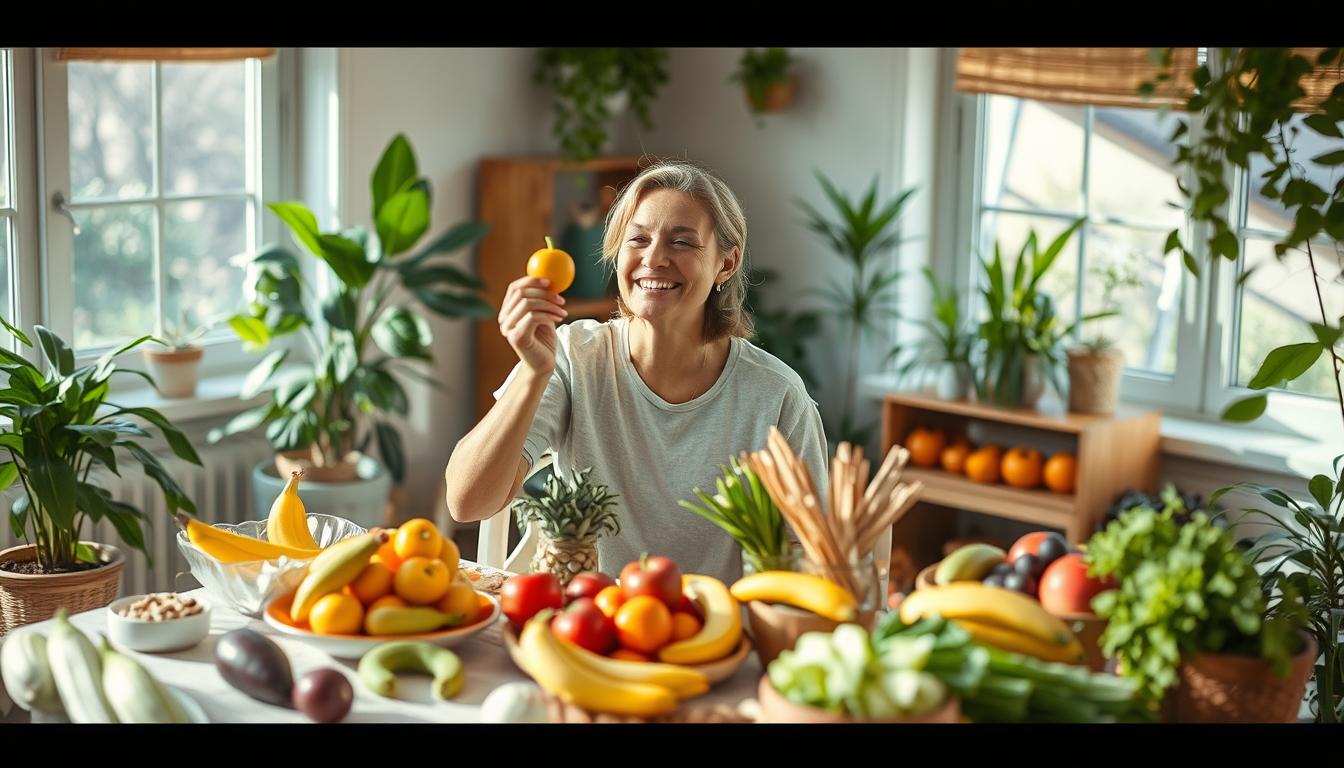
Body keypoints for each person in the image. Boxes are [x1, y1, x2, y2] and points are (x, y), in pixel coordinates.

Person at [445, 159, 828, 585]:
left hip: (718, 638)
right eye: (638, 239)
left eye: (682, 242)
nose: (654, 258)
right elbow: (466, 503)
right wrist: (534, 373)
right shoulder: (575, 356)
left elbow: (812, 560)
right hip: (595, 627)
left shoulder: (775, 395)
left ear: (726, 264)